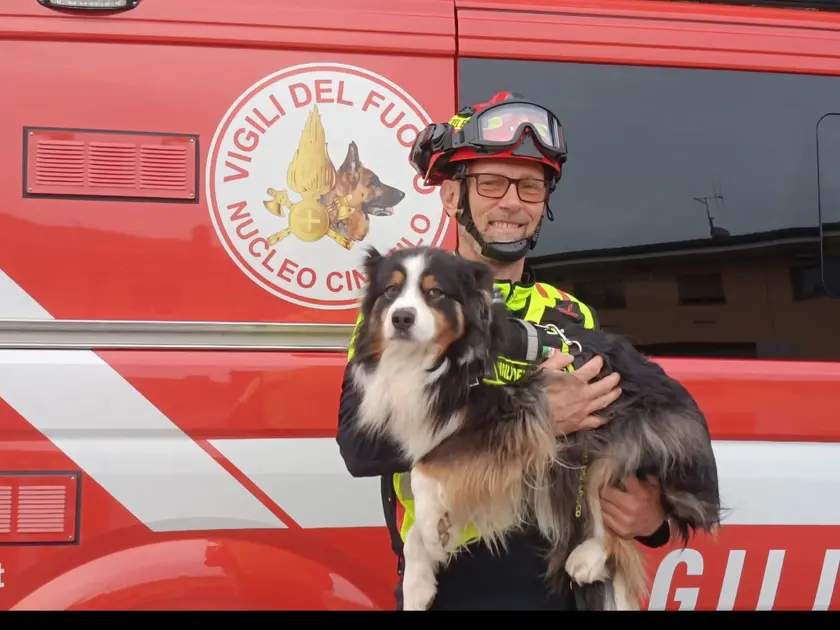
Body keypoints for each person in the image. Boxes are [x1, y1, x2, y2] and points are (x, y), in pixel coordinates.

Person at [336, 91, 671, 610]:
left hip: (570, 580)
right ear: (452, 197)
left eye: (531, 186)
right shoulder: (400, 309)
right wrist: (532, 417)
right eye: (490, 183)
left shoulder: (571, 314)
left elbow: (614, 441)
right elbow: (362, 449)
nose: (512, 202)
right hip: (455, 577)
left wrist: (652, 517)